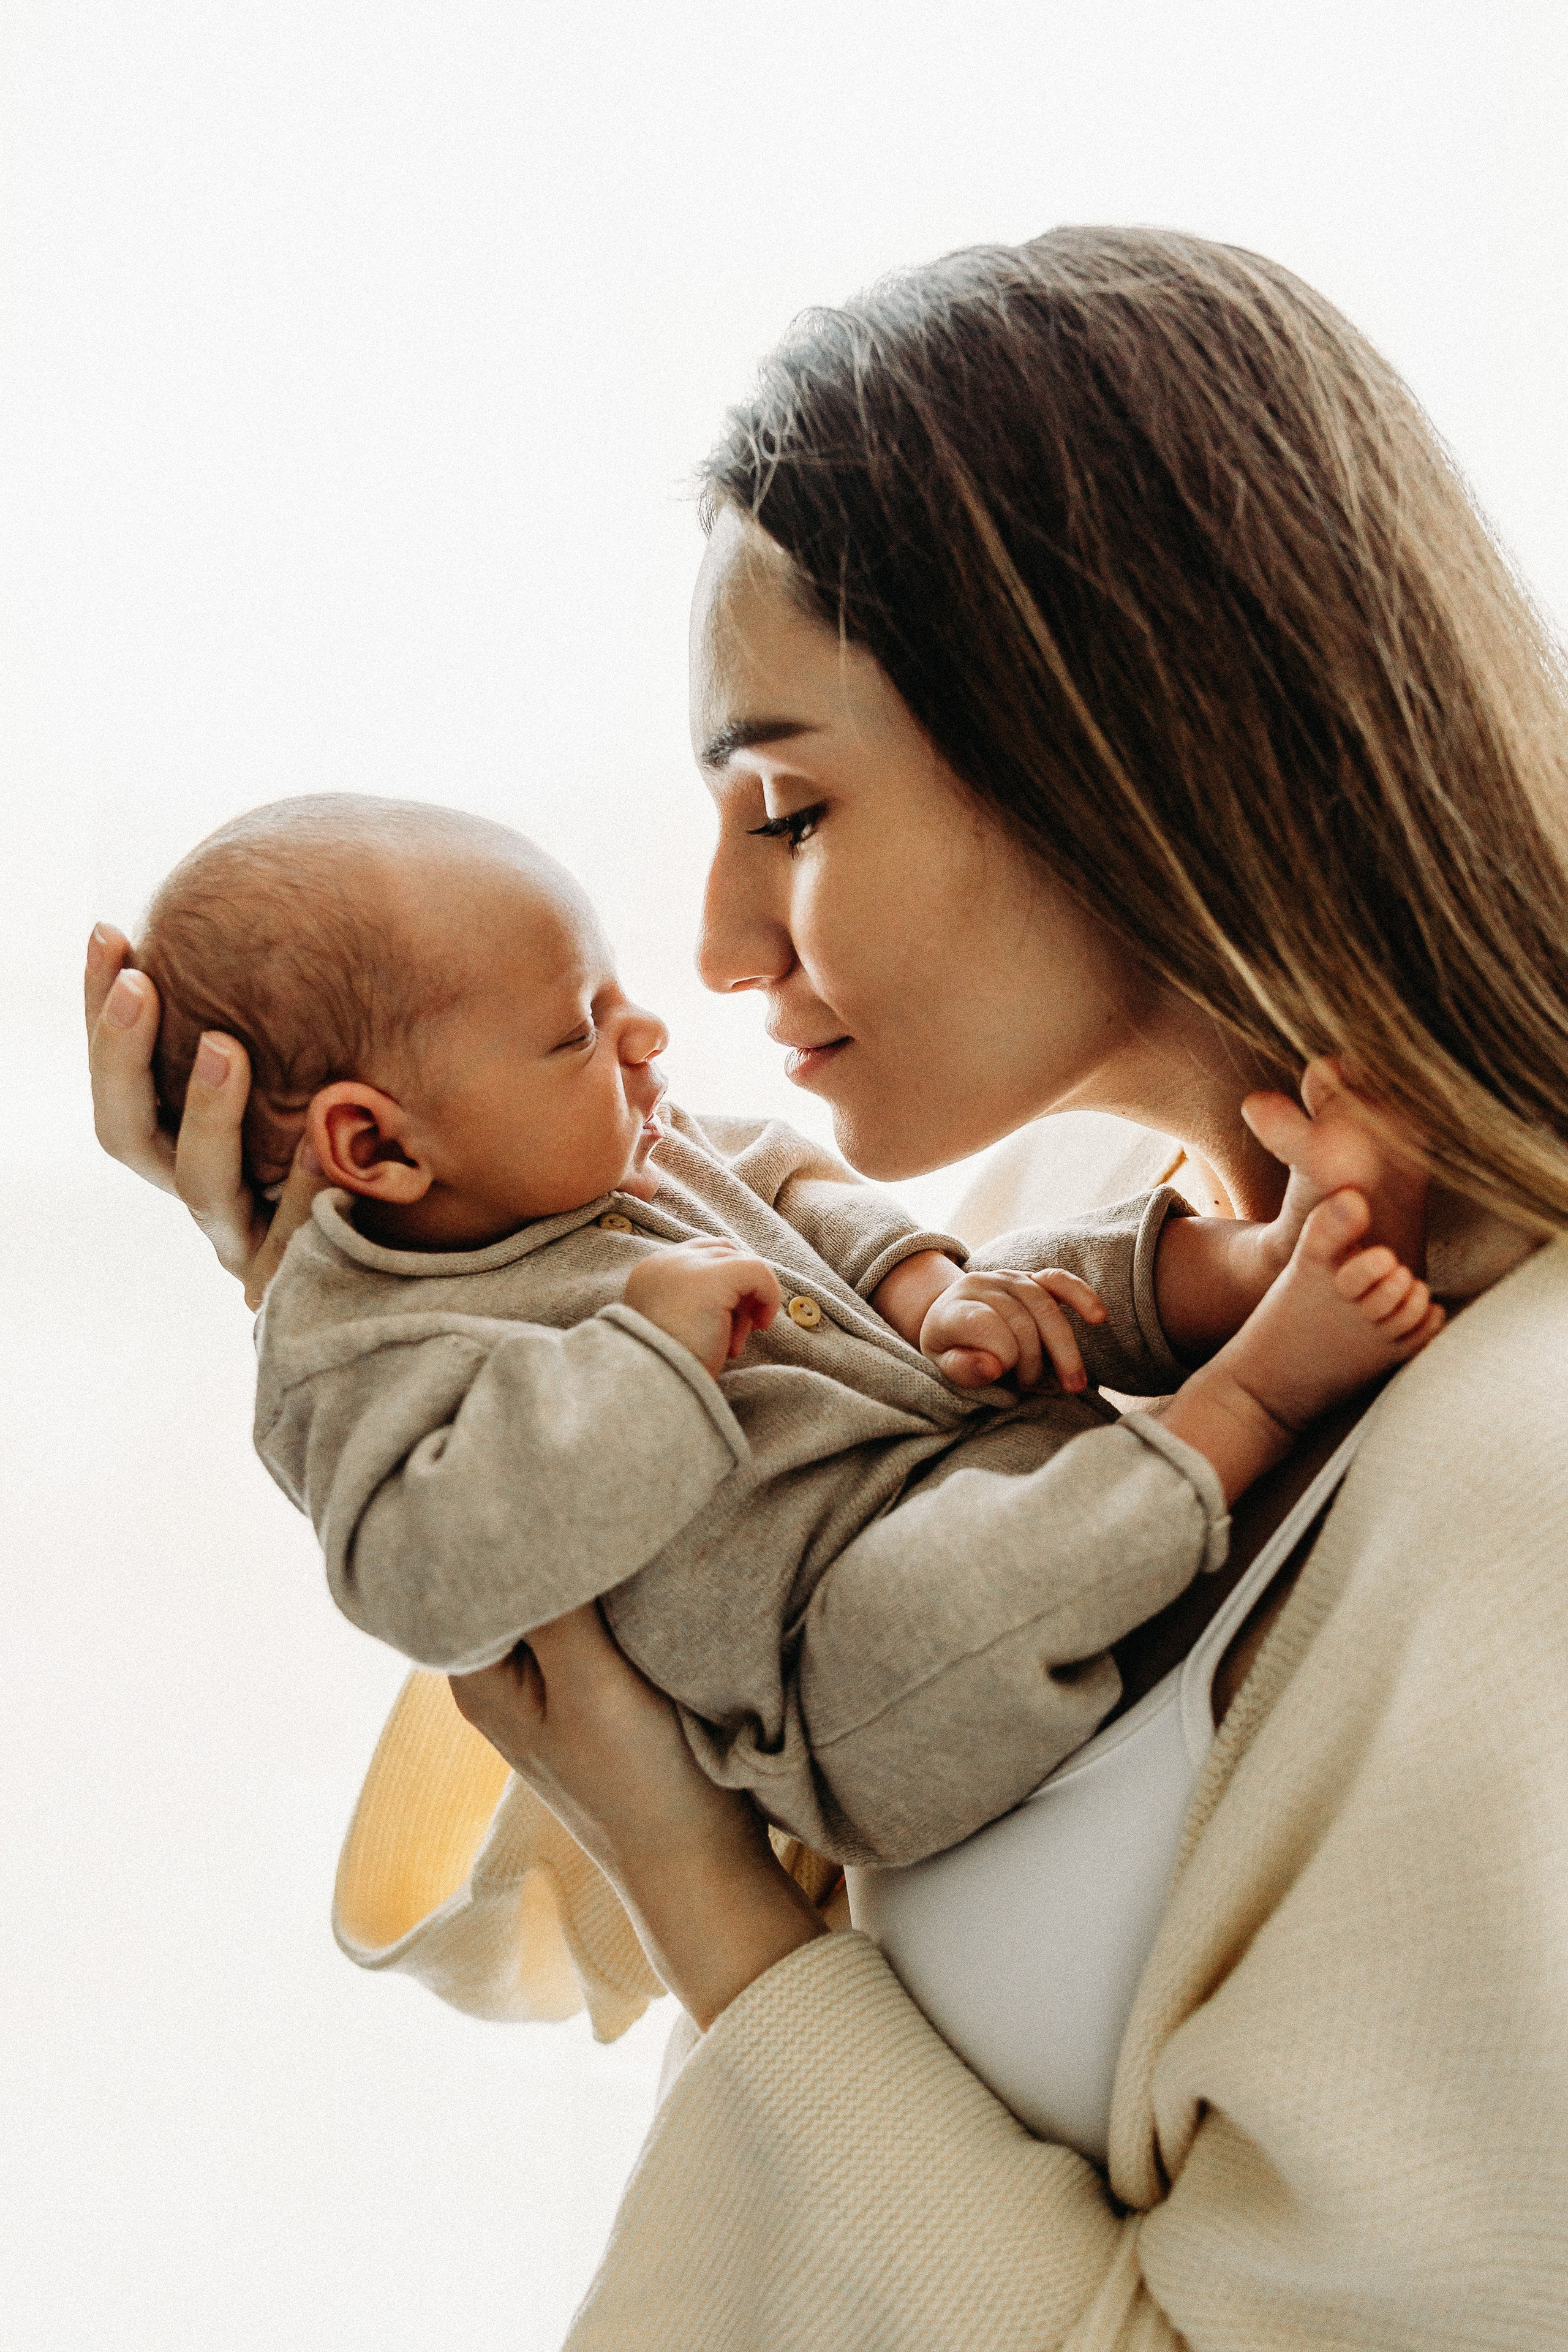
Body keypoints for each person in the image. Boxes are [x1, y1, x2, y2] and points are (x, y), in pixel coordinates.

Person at [86, 226, 1568, 2348]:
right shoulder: (1055, 1211)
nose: (711, 949)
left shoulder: (1524, 1507)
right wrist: (416, 1288)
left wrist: (696, 1885)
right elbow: (769, 1664)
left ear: (1119, 740)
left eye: (787, 808)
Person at [134, 792, 1436, 1868]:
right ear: (376, 1144)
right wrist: (644, 1358)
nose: (643, 1032)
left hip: (963, 1420)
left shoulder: (636, 1148)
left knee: (1030, 1271)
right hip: (853, 1667)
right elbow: (420, 1580)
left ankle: (1269, 1260)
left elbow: (801, 1185)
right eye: (575, 1028)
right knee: (928, 1606)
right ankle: (1258, 1395)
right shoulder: (368, 1352)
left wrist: (933, 1294)